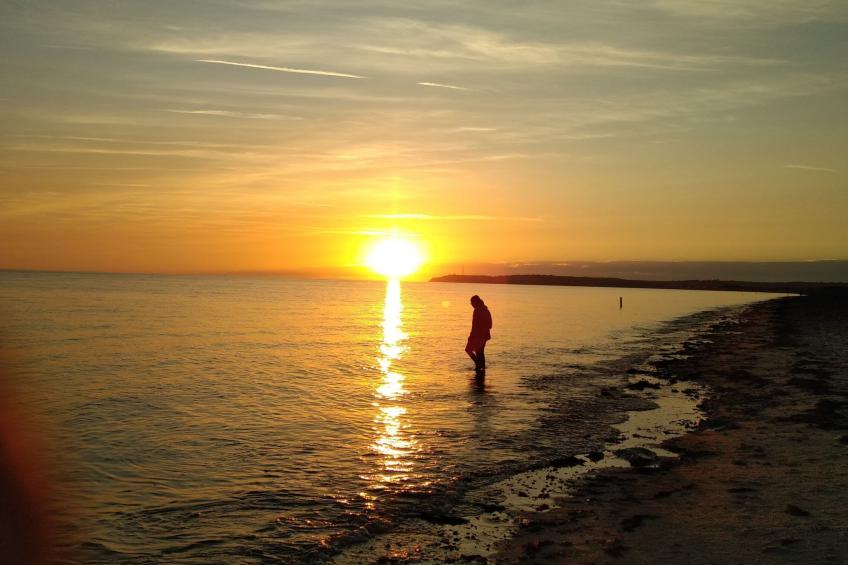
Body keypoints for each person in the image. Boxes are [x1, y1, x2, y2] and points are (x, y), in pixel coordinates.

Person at [465, 295, 492, 373]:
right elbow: (490, 325)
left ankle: (478, 364)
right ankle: (481, 367)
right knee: (480, 352)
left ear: (476, 302)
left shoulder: (477, 311)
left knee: (468, 350)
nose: (472, 305)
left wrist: (471, 336)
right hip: (484, 335)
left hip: (478, 335)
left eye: (472, 303)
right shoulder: (486, 310)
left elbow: (475, 325)